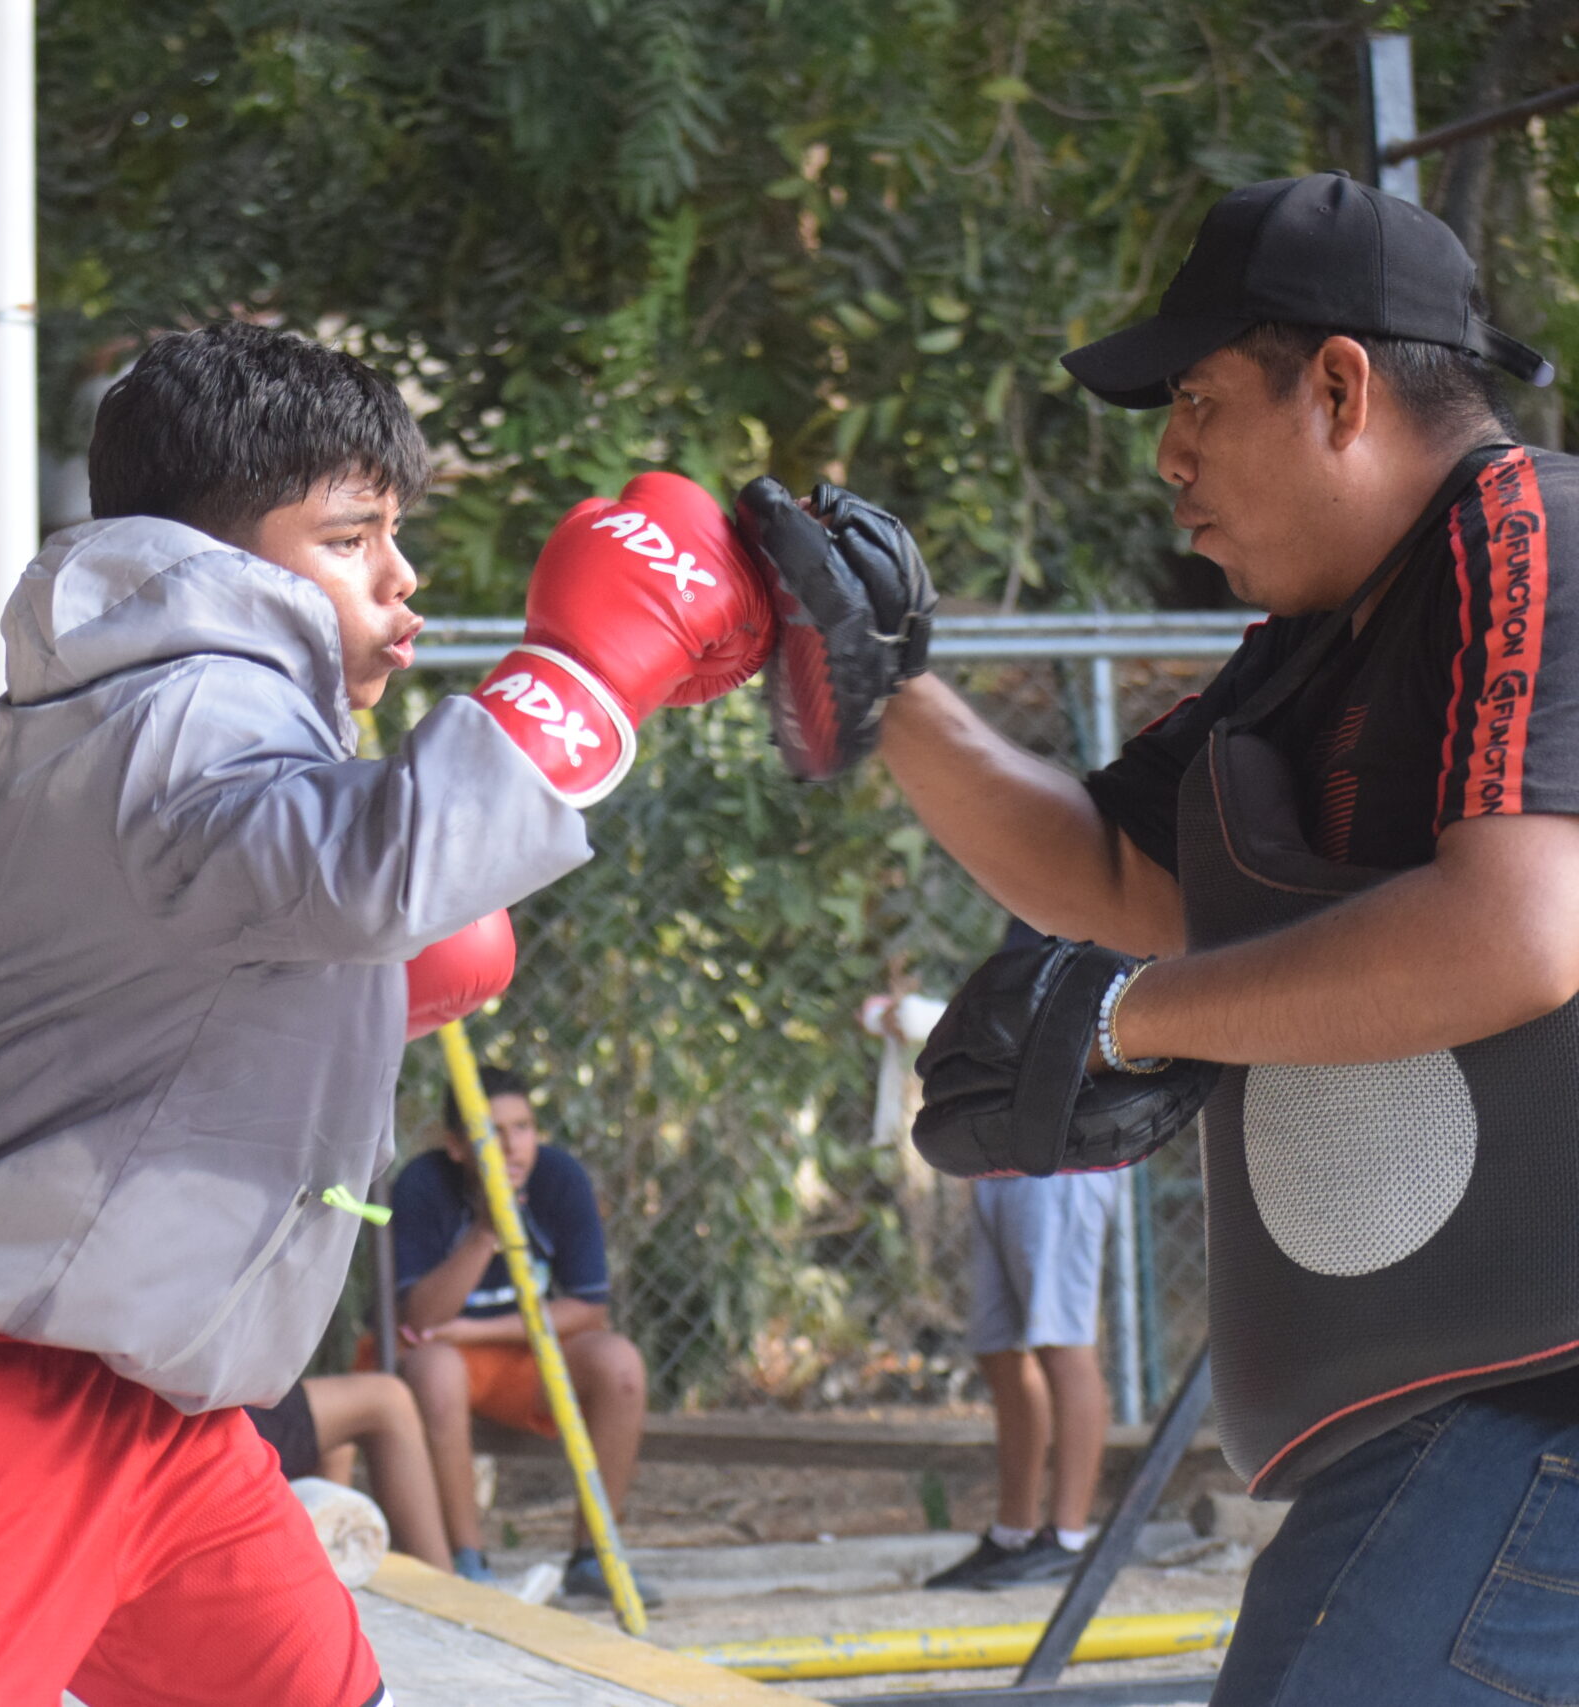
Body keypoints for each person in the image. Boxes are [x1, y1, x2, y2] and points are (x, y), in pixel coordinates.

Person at [0, 321, 779, 1705]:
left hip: (157, 1393)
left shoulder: (187, 707)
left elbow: (264, 921)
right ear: (217, 559)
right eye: (352, 537)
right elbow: (370, 864)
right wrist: (603, 663)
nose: (402, 575)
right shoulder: (183, 708)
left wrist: (365, 995)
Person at [741, 174, 1579, 1705]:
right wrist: (879, 683)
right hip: (1485, 1397)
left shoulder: (1538, 537)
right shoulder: (1327, 634)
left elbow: (1517, 933)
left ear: (1338, 387)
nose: (1168, 454)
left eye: (1196, 399)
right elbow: (1111, 869)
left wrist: (1138, 1019)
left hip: (1540, 1408)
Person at [384, 1066, 655, 1606]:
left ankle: (594, 1555)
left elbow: (588, 1308)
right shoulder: (422, 1184)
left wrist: (478, 1331)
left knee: (620, 1363)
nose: (512, 1146)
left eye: (524, 1127)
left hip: (518, 1352)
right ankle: (468, 1559)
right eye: (492, 1131)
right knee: (437, 1370)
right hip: (436, 1359)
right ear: (457, 1146)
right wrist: (486, 1231)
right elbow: (420, 1319)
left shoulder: (559, 1178)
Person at [923, 922, 1119, 1592]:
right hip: (1002, 1154)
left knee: (1063, 1343)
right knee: (1001, 1346)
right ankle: (1013, 1532)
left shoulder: (1099, 903)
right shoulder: (1024, 910)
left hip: (1065, 1154)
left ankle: (1066, 1536)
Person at [244, 1373, 453, 1569]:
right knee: (388, 1399)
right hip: (228, 1418)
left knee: (339, 1446)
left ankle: (328, 1576)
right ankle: (443, 1588)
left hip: (233, 1405)